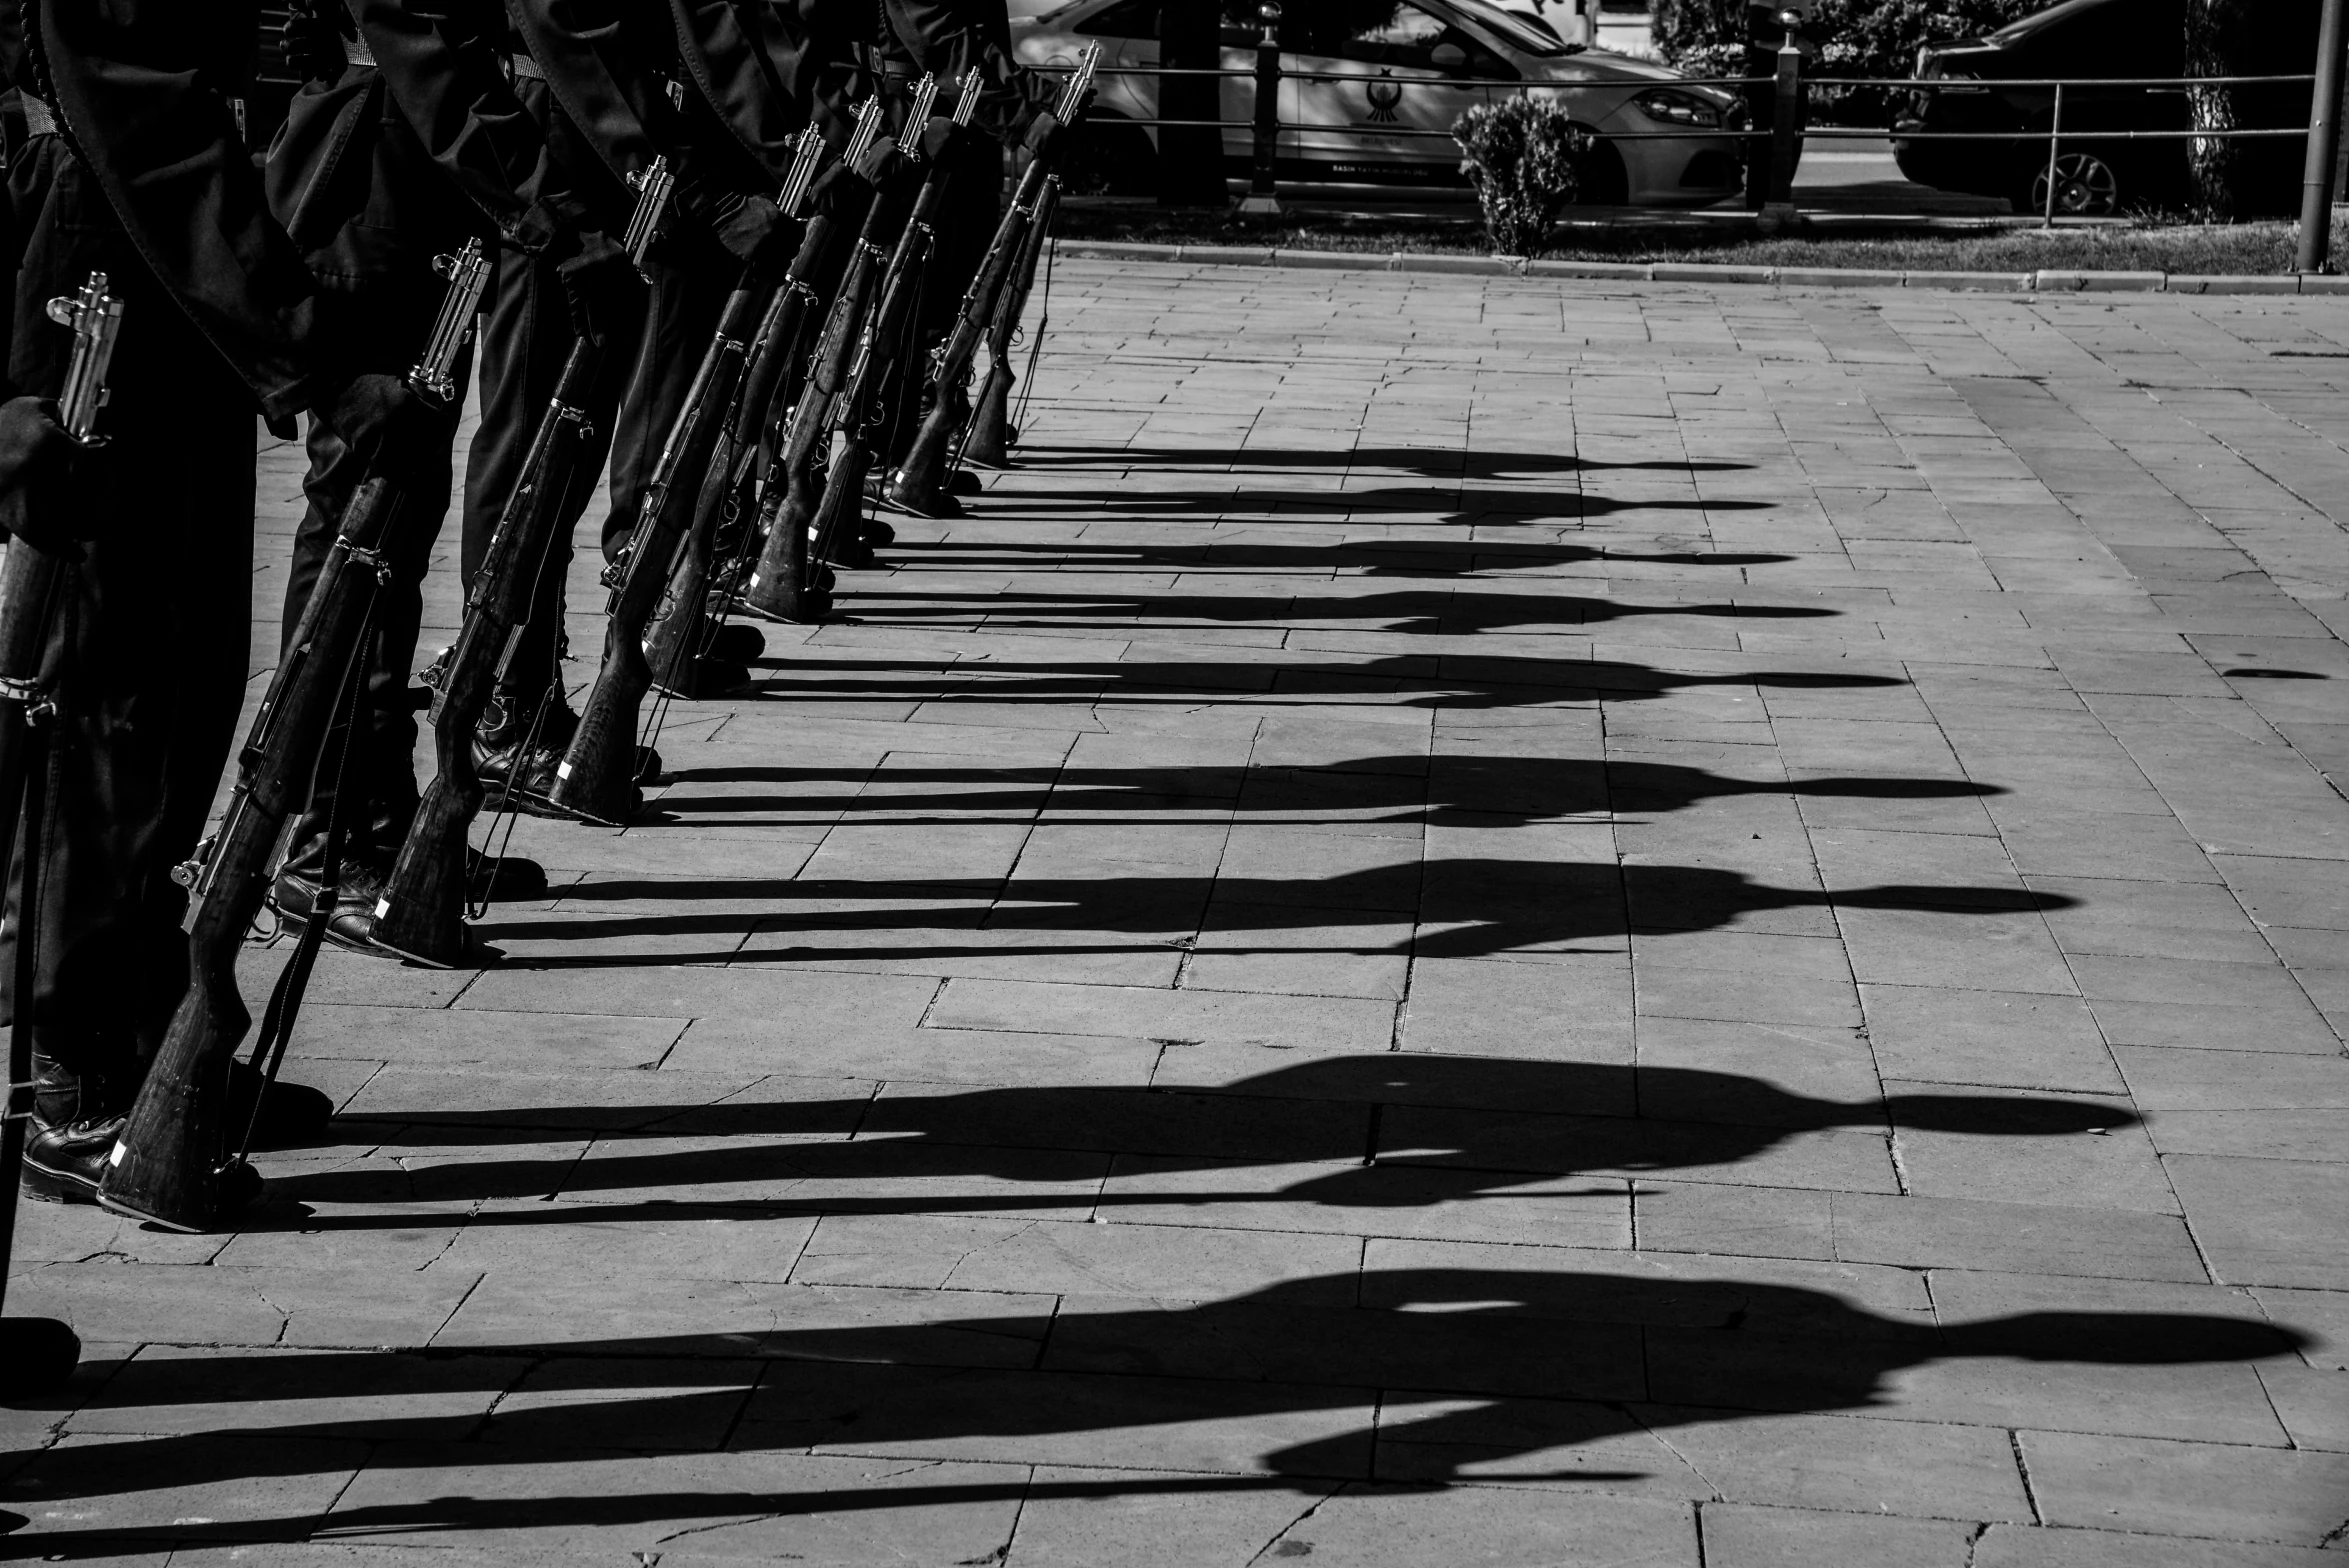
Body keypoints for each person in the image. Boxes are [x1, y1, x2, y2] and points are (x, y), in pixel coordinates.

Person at [0, 0, 433, 1200]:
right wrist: (308, 351)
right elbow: (141, 104)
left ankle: (143, 1030)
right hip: (108, 228)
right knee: (111, 695)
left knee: (184, 680)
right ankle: (73, 1070)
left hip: (167, 244)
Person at [264, 0, 640, 943]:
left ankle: (376, 818)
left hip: (419, 168)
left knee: (393, 538)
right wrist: (549, 210)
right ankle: (325, 841)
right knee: (358, 522)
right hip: (375, 160)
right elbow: (420, 38)